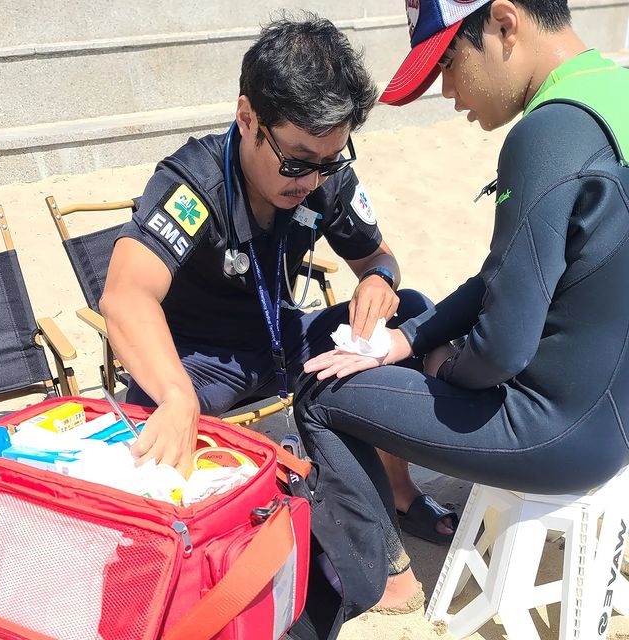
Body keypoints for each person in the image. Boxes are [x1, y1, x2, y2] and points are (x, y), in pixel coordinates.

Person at [294, 0, 629, 612]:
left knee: (320, 395)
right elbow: (506, 273)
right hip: (615, 420)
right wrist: (409, 338)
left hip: (556, 436)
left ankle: (386, 576)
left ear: (504, 23)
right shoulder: (615, 93)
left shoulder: (549, 133)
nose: (447, 92)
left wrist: (442, 365)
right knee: (408, 332)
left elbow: (501, 349)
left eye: (448, 63)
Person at [100, 14, 455, 543]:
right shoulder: (194, 185)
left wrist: (378, 281)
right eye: (297, 161)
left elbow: (379, 258)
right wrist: (176, 394)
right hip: (199, 363)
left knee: (412, 309)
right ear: (247, 118)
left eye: (329, 162)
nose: (311, 180)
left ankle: (399, 490)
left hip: (285, 344)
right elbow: (125, 294)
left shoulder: (325, 177)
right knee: (148, 430)